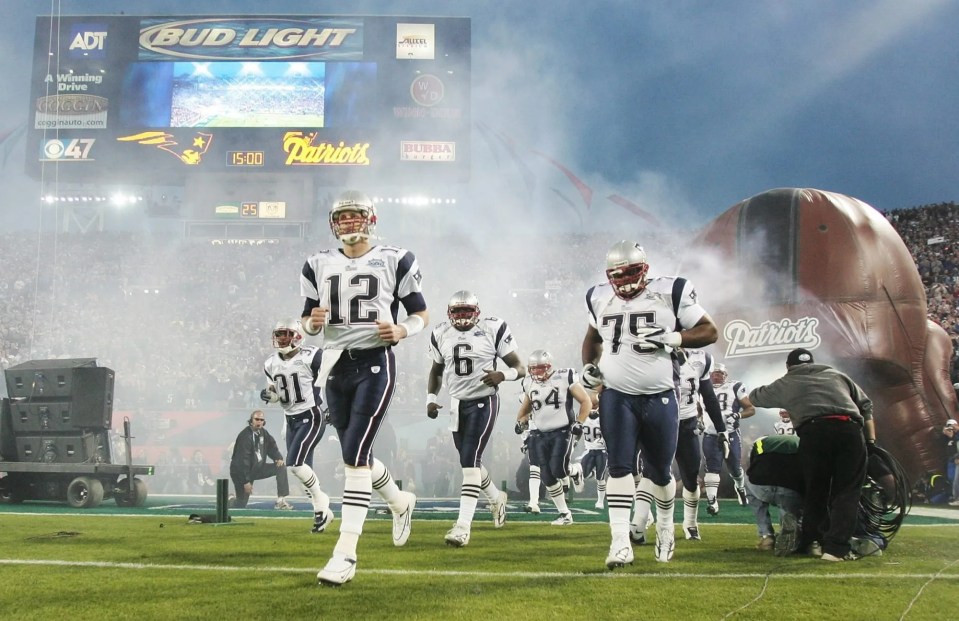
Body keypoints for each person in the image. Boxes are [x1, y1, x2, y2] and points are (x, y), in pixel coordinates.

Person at [301, 190, 427, 586]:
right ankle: (399, 501)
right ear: (332, 223)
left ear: (370, 218)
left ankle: (346, 552)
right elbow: (306, 320)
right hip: (335, 365)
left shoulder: (395, 258)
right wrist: (311, 324)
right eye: (342, 217)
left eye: (355, 215)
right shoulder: (316, 263)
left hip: (374, 362)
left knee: (354, 458)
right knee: (356, 453)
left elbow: (421, 312)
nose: (348, 223)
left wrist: (403, 329)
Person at [581, 240, 718, 568]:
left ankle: (666, 527)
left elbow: (710, 330)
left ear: (644, 269)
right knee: (619, 467)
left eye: (630, 272)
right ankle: (619, 542)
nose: (624, 280)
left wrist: (676, 337)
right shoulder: (598, 296)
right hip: (616, 395)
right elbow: (592, 338)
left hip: (660, 396)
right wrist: (589, 367)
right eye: (617, 275)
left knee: (660, 473)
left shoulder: (671, 291)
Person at [742, 347, 876, 562]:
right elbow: (866, 405)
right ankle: (835, 550)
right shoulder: (837, 376)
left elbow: (755, 398)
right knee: (847, 491)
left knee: (815, 491)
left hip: (814, 432)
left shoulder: (786, 382)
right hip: (849, 430)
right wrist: (870, 441)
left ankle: (811, 541)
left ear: (789, 366)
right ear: (812, 363)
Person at [426, 290, 524, 546]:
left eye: (466, 311)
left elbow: (520, 367)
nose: (462, 316)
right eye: (457, 311)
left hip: (484, 401)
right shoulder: (440, 332)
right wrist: (431, 398)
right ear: (449, 313)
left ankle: (463, 526)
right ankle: (496, 498)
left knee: (469, 462)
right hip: (457, 404)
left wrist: (503, 375)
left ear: (476, 312)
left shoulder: (493, 328)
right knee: (469, 461)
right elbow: (436, 370)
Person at [630, 348, 727, 543]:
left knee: (690, 476)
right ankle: (638, 523)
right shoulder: (652, 352)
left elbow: (708, 396)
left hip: (686, 424)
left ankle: (690, 523)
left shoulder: (702, 358)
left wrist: (721, 429)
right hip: (659, 421)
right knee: (651, 471)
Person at [261, 318, 333, 534]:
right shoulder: (270, 363)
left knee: (294, 464)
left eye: (286, 334)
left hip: (311, 415)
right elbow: (275, 392)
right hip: (290, 419)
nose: (282, 338)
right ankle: (322, 513)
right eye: (279, 334)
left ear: (298, 336)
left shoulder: (312, 356)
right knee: (303, 473)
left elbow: (332, 380)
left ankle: (322, 503)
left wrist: (333, 407)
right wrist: (269, 396)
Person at [515, 349, 591, 526]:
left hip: (562, 431)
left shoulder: (565, 376)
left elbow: (586, 401)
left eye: (540, 368)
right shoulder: (528, 382)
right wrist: (521, 422)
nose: (536, 372)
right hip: (539, 434)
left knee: (558, 470)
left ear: (549, 367)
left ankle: (575, 471)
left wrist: (580, 422)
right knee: (547, 476)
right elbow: (524, 410)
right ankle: (565, 514)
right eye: (533, 369)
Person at [701, 362, 755, 515]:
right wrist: (698, 421)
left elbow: (751, 409)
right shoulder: (701, 388)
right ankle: (712, 502)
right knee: (712, 468)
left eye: (720, 373)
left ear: (726, 375)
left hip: (730, 433)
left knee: (735, 468)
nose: (716, 376)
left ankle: (740, 488)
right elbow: (698, 410)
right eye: (714, 373)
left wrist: (738, 415)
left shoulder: (734, 386)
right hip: (711, 434)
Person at [743, 434, 804, 554]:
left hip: (760, 486)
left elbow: (752, 465)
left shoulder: (761, 442)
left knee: (747, 479)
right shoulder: (803, 443)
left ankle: (766, 536)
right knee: (788, 507)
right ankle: (793, 526)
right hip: (788, 487)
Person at [229, 410, 291, 509]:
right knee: (240, 505)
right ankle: (230, 500)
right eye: (257, 419)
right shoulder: (244, 436)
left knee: (281, 467)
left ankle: (281, 500)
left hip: (257, 468)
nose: (259, 422)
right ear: (251, 420)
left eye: (261, 420)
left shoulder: (263, 433)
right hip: (240, 473)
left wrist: (278, 457)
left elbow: (272, 446)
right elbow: (242, 461)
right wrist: (246, 482)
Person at [573, 396, 608, 510]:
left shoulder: (605, 417)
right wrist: (575, 441)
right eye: (591, 405)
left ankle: (600, 501)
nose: (592, 408)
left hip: (602, 451)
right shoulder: (582, 416)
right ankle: (591, 473)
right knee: (582, 475)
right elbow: (578, 430)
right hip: (589, 450)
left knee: (600, 477)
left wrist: (606, 439)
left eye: (595, 405)